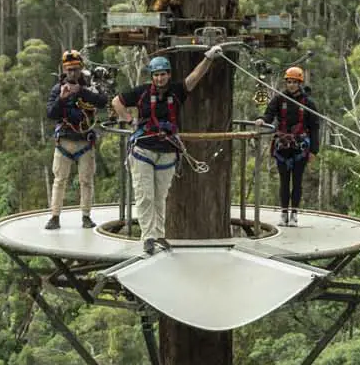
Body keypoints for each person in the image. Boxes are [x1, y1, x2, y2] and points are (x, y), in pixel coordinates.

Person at [113, 47, 228, 241]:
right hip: (144, 149)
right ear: (152, 76)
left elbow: (194, 77)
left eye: (163, 74)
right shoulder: (141, 93)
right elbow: (117, 101)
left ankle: (159, 236)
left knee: (159, 198)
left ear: (169, 75)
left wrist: (208, 58)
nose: (160, 79)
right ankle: (148, 237)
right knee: (145, 196)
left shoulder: (176, 91)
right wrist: (129, 120)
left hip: (167, 150)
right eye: (156, 75)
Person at [43, 49, 112, 230]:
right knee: (59, 180)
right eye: (69, 70)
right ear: (64, 70)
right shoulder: (58, 89)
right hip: (65, 140)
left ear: (81, 68)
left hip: (84, 141)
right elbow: (51, 113)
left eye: (75, 69)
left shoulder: (89, 88)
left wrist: (81, 91)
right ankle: (55, 216)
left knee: (86, 180)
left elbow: (103, 101)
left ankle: (86, 216)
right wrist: (62, 98)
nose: (72, 73)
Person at [259, 65, 324, 225]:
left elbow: (315, 127)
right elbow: (269, 114)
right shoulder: (279, 99)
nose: (291, 85)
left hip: (300, 147)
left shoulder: (308, 103)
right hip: (282, 146)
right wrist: (262, 120)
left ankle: (294, 214)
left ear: (300, 83)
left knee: (297, 181)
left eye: (295, 82)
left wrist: (314, 150)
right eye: (289, 82)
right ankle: (283, 214)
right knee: (284, 181)